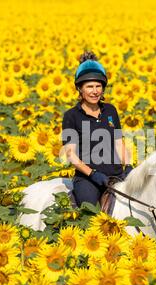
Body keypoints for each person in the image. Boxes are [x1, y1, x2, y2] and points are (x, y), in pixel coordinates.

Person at [61, 51, 133, 207]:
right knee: (88, 210)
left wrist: (128, 166)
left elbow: (119, 143)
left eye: (98, 86)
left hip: (115, 175)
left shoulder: (110, 110)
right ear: (80, 88)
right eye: (89, 86)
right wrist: (93, 174)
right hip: (88, 179)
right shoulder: (71, 116)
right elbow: (70, 155)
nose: (95, 91)